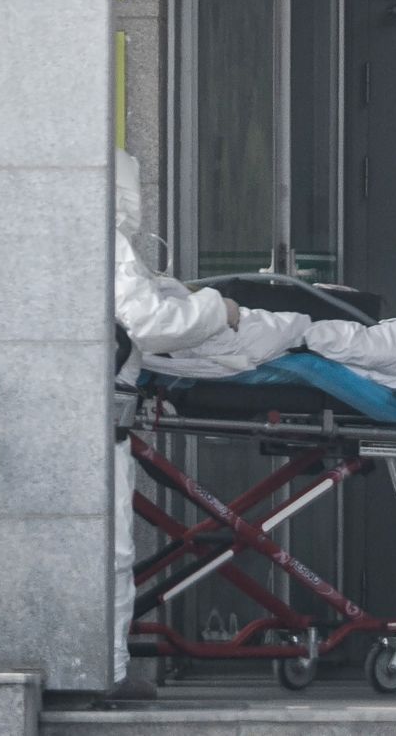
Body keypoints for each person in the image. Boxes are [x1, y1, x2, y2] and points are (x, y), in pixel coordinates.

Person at [111, 149, 239, 698]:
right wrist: (218, 309)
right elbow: (154, 325)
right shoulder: (108, 246)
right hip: (99, 417)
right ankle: (106, 670)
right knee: (109, 547)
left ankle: (100, 666)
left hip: (80, 410)